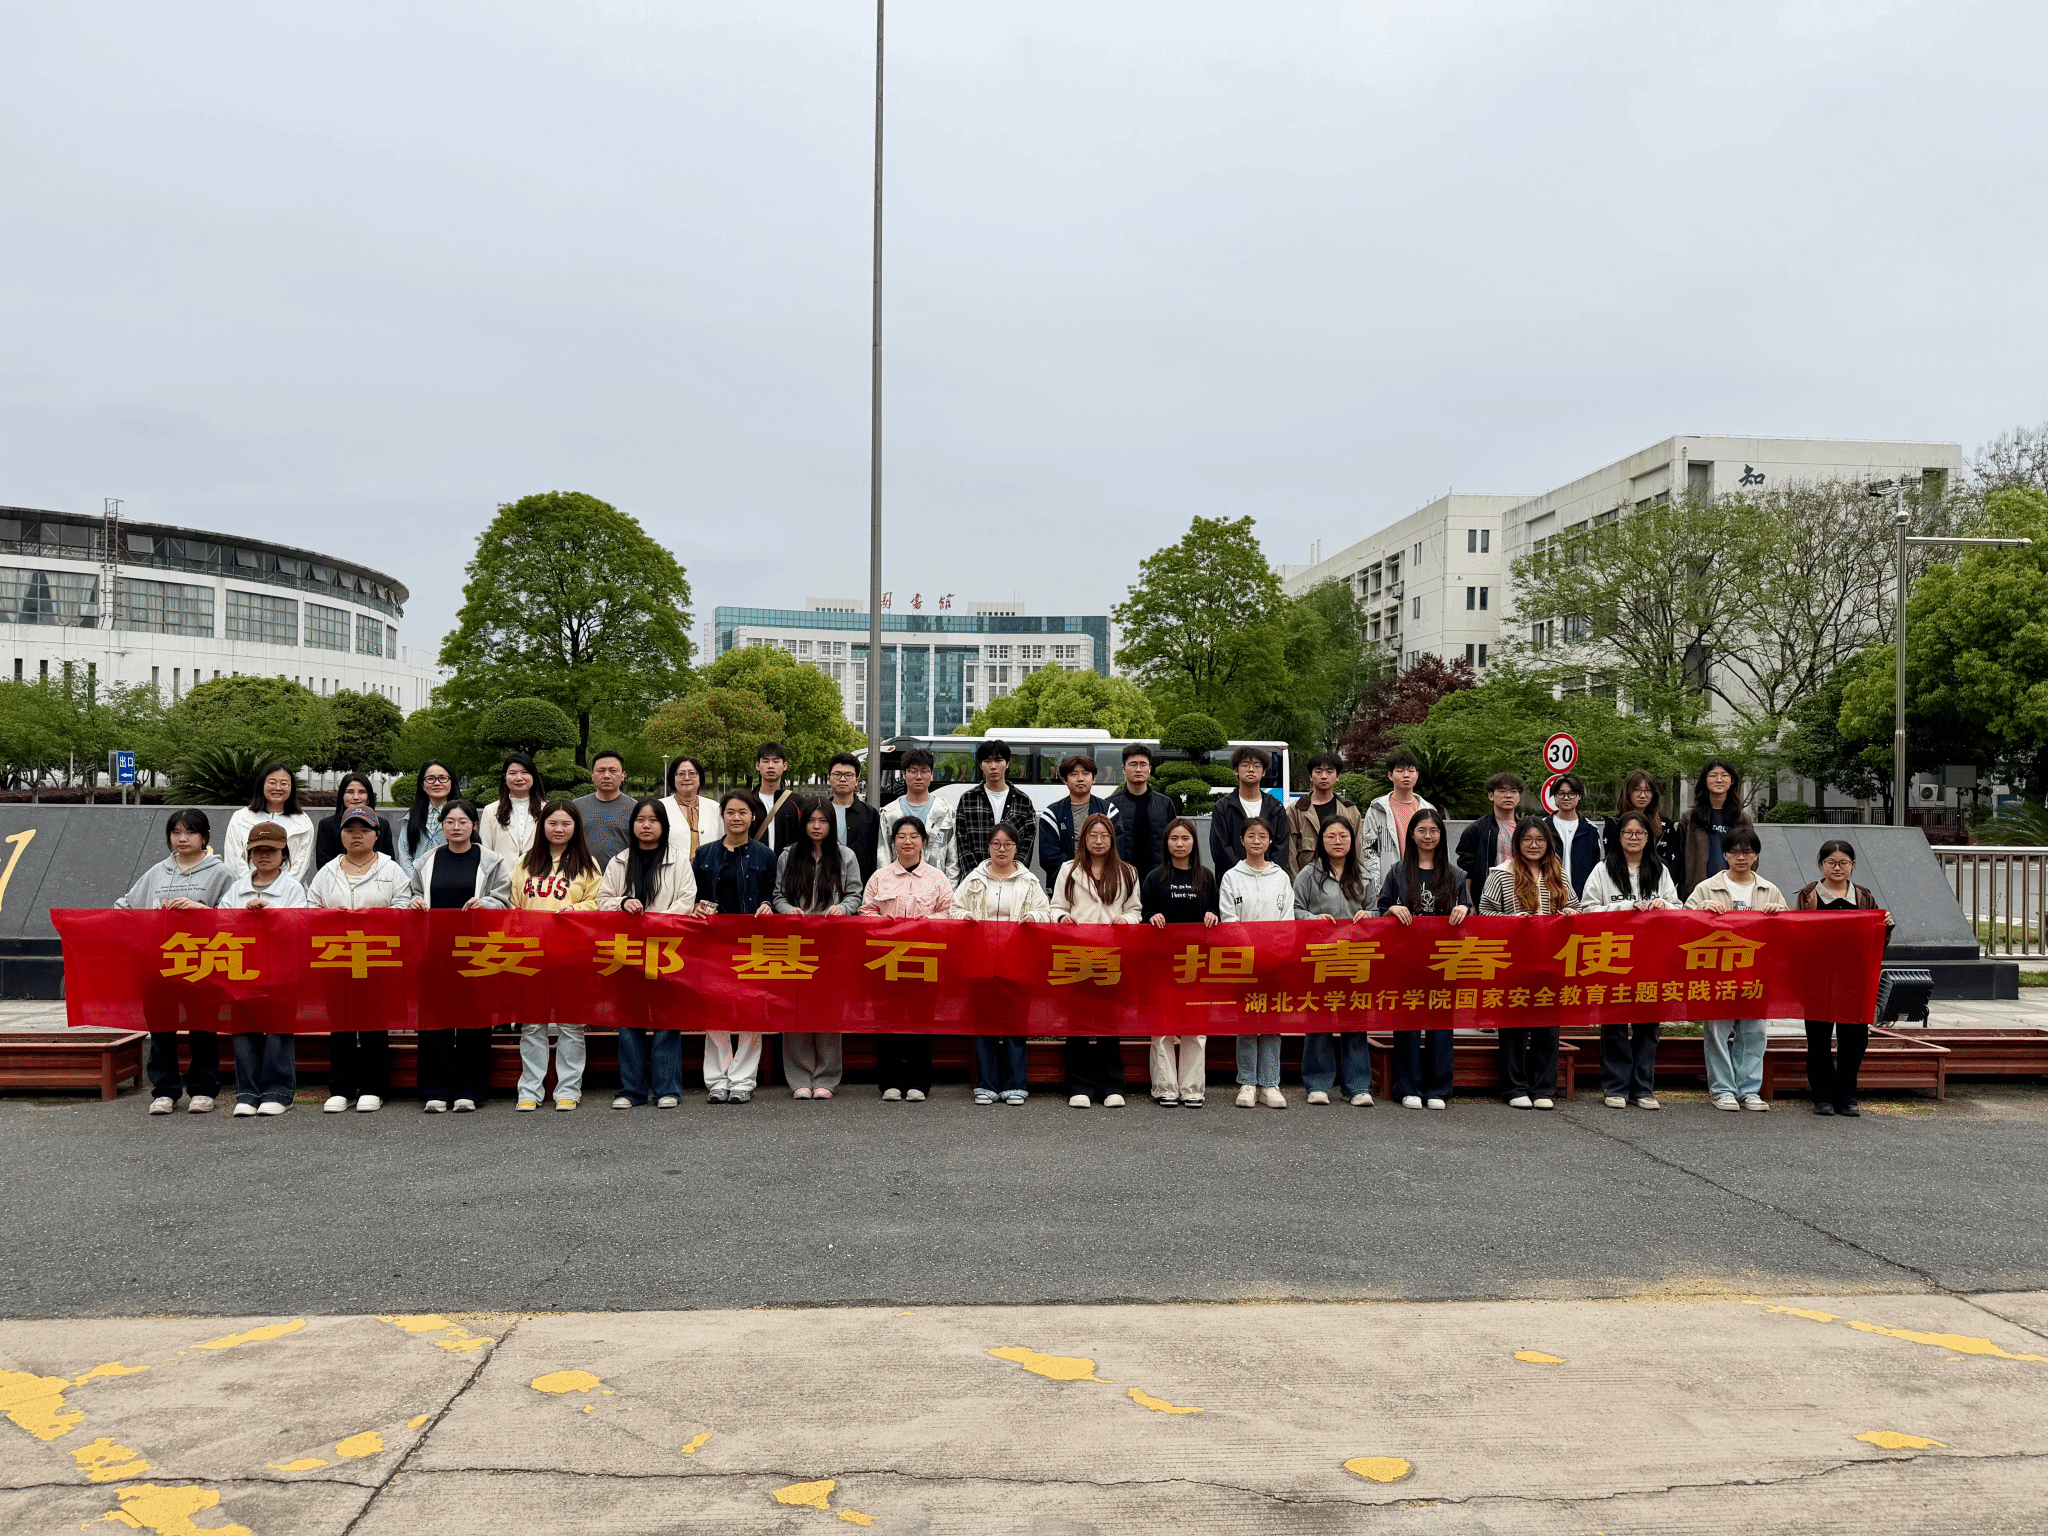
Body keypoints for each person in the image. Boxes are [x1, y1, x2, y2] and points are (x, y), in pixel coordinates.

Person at [118, 809, 235, 1115]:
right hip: (159, 962)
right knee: (161, 1029)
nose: (182, 839)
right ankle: (165, 1091)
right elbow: (125, 905)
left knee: (203, 1028)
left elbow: (234, 916)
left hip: (202, 961)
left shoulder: (221, 873)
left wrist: (202, 910)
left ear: (204, 837)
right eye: (176, 832)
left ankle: (203, 1089)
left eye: (190, 832)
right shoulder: (157, 872)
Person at [403, 800, 511, 1113]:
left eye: (463, 821)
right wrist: (415, 902)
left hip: (477, 952)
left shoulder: (490, 861)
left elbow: (504, 900)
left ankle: (469, 1089)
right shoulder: (427, 861)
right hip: (434, 951)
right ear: (442, 826)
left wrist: (485, 904)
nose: (456, 827)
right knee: (433, 1022)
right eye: (450, 821)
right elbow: (412, 894)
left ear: (474, 825)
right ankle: (435, 1090)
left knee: (473, 1023)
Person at [307, 804, 410, 1112]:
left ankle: (373, 1087)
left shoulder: (391, 870)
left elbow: (404, 907)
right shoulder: (327, 872)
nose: (356, 835)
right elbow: (311, 909)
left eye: (364, 830)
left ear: (376, 835)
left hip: (377, 958)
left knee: (374, 1024)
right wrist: (330, 917)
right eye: (350, 830)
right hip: (337, 958)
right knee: (340, 1025)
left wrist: (375, 917)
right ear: (340, 835)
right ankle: (341, 1088)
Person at [597, 797, 697, 1110]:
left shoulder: (678, 860)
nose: (646, 826)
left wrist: (656, 923)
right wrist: (622, 902)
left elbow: (687, 900)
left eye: (653, 820)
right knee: (629, 1021)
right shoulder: (619, 861)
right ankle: (632, 1090)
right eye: (640, 820)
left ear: (663, 826)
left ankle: (668, 1088)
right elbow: (602, 900)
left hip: (667, 951)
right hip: (627, 951)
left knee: (667, 1021)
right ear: (632, 825)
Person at [1576, 809, 1678, 1110]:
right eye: (1628, 833)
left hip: (1651, 958)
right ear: (1618, 837)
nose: (1634, 838)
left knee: (1648, 1027)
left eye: (1640, 833)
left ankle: (1643, 1088)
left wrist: (1662, 905)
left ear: (1649, 838)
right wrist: (1622, 909)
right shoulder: (1602, 870)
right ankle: (1615, 1087)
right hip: (1613, 958)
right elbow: (1587, 910)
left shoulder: (1660, 871)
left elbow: (1678, 907)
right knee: (1615, 1025)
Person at [1684, 825, 1786, 1111]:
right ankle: (1722, 1090)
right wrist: (1702, 910)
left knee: (1754, 1033)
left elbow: (1787, 932)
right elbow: (1683, 922)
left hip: (1757, 974)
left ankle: (1749, 1089)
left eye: (1748, 852)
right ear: (1725, 855)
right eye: (1735, 851)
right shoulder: (1707, 888)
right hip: (1717, 972)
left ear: (1756, 856)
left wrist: (1780, 914)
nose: (1742, 857)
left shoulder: (1770, 890)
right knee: (1717, 1033)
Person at [510, 801, 604, 1112]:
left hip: (571, 955)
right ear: (543, 826)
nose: (559, 829)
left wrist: (575, 910)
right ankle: (529, 1090)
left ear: (576, 828)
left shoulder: (587, 864)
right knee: (532, 1026)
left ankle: (568, 1090)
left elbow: (598, 902)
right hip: (531, 955)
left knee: (571, 1026)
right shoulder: (526, 862)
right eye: (552, 823)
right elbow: (513, 904)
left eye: (566, 824)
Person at [1376, 808, 1471, 1110]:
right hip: (1407, 960)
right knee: (1407, 1025)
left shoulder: (1456, 875)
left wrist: (1464, 909)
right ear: (1412, 834)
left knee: (1441, 1027)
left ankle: (1439, 1089)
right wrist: (1392, 909)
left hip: (1443, 961)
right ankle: (1408, 1087)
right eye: (1422, 830)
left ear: (1441, 835)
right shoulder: (1398, 873)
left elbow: (1469, 911)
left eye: (1433, 831)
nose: (1428, 836)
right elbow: (1380, 910)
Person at [951, 822, 1052, 1104]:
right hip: (981, 958)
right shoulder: (974, 879)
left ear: (1017, 848)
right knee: (983, 1022)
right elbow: (954, 909)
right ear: (988, 847)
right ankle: (987, 1084)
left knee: (1015, 1023)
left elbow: (1045, 911)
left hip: (1017, 960)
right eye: (996, 844)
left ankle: (1015, 1084)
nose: (1002, 849)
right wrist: (965, 917)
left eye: (1008, 844)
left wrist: (1034, 917)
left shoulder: (1029, 881)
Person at [1795, 840, 1895, 1118]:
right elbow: (1798, 934)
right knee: (1818, 1038)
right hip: (1818, 976)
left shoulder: (1863, 896)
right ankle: (1823, 1096)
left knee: (1854, 1038)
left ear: (1853, 866)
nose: (1837, 868)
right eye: (1831, 862)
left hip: (1854, 976)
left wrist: (1886, 927)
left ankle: (1847, 1094)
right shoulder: (1809, 895)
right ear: (1821, 865)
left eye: (1843, 863)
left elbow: (1876, 941)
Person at [1477, 821, 1573, 1109]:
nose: (1533, 845)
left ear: (1548, 843)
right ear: (1517, 843)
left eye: (1539, 839)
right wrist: (1510, 922)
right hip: (1514, 961)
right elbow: (1484, 912)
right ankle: (1514, 1087)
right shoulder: (1500, 874)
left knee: (1548, 1027)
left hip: (1551, 960)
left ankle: (1543, 1088)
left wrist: (1569, 912)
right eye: (1527, 839)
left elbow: (1576, 906)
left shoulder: (1558, 874)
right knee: (1514, 1027)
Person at [691, 791, 780, 1103]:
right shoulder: (704, 855)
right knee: (715, 1011)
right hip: (713, 943)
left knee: (750, 1010)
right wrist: (697, 906)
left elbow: (771, 892)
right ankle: (717, 1080)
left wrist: (768, 904)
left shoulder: (765, 856)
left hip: (752, 941)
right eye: (731, 812)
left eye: (743, 812)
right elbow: (694, 894)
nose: (737, 818)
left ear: (752, 817)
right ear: (722, 816)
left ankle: (743, 1080)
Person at [859, 818, 957, 1101]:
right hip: (886, 960)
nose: (907, 842)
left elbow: (949, 912)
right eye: (901, 836)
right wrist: (884, 923)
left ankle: (918, 1083)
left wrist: (927, 922)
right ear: (893, 842)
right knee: (886, 1020)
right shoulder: (880, 877)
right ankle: (889, 1082)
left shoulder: (937, 878)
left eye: (914, 836)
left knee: (921, 1021)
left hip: (923, 959)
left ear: (923, 841)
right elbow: (866, 912)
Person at [1050, 812, 1142, 1107]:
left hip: (1111, 954)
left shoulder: (1127, 872)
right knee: (1076, 1022)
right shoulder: (1068, 870)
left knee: (1109, 1022)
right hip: (1077, 952)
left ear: (1112, 839)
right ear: (1083, 839)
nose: (1099, 841)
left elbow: (1135, 910)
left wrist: (1126, 920)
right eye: (1093, 835)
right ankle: (1079, 1085)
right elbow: (1056, 907)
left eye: (1104, 836)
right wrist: (1062, 918)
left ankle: (1112, 1085)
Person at [216, 821, 307, 1117]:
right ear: (249, 854)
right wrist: (244, 917)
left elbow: (301, 925)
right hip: (243, 971)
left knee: (278, 1032)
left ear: (284, 854)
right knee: (243, 1032)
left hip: (282, 971)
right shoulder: (237, 889)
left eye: (271, 850)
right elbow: (220, 923)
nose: (264, 855)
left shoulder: (293, 889)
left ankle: (278, 1092)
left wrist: (272, 914)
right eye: (257, 850)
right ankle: (247, 1092)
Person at [773, 798, 862, 1099]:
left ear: (831, 824)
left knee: (828, 1009)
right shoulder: (788, 855)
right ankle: (799, 1077)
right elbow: (778, 895)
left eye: (823, 821)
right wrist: (789, 911)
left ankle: (826, 1077)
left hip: (831, 942)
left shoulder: (846, 856)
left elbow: (855, 894)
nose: (816, 826)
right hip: (796, 942)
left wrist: (843, 909)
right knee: (796, 1009)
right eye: (811, 820)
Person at [1293, 815, 1373, 1107]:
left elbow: (1377, 910)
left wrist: (1369, 916)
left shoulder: (1364, 875)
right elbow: (1294, 910)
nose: (1337, 841)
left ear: (1352, 840)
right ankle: (1317, 1084)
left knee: (1355, 1020)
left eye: (1343, 836)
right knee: (1319, 1019)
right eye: (1331, 836)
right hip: (1321, 957)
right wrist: (1312, 919)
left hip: (1355, 957)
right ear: (1321, 841)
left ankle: (1358, 1086)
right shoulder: (1308, 874)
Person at [1141, 817, 1220, 1106]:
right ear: (1166, 843)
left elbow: (1216, 910)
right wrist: (1152, 916)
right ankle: (1165, 1088)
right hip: (1162, 963)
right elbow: (1143, 912)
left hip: (1196, 964)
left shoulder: (1206, 877)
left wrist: (1212, 914)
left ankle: (1192, 1089)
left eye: (1185, 838)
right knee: (1162, 1028)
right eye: (1174, 838)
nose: (1179, 844)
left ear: (1193, 843)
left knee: (1195, 1029)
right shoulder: (1154, 878)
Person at [1219, 817, 1296, 1107]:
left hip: (1276, 962)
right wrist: (1251, 952)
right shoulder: (1231, 877)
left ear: (1270, 841)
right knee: (1248, 1020)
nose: (1256, 841)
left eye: (1262, 836)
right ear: (1242, 840)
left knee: (1272, 1021)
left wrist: (1275, 954)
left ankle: (1270, 1083)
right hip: (1246, 961)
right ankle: (1248, 1082)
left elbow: (1287, 919)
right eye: (1251, 835)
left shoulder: (1281, 877)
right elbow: (1229, 919)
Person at [1357, 746, 1433, 908]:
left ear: (1417, 775)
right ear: (1390, 775)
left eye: (1411, 771)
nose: (1406, 775)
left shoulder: (1428, 810)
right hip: (1388, 885)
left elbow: (1439, 849)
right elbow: (1370, 852)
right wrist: (1376, 891)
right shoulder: (1377, 810)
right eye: (1400, 770)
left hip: (1423, 883)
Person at [954, 739, 1038, 880]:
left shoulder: (1023, 801)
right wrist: (976, 877)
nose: (993, 766)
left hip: (1012, 880)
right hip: (976, 881)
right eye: (987, 761)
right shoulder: (968, 799)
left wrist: (1012, 875)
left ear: (1007, 764)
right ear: (981, 765)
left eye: (999, 760)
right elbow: (963, 843)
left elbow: (1027, 844)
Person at [223, 762, 316, 882]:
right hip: (246, 889)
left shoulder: (303, 822)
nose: (278, 788)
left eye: (284, 783)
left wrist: (283, 888)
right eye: (272, 782)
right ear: (262, 784)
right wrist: (251, 885)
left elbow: (302, 865)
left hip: (290, 891)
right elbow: (233, 858)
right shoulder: (240, 818)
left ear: (291, 787)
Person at [1039, 755, 1116, 896]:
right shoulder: (1052, 813)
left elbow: (1118, 849)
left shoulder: (1109, 811)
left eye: (1085, 774)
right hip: (1065, 887)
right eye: (1074, 774)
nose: (1080, 778)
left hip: (1103, 884)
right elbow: (1049, 857)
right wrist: (1078, 876)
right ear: (1065, 780)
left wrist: (1096, 875)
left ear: (1093, 779)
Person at [1675, 758, 1752, 900]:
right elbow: (1678, 859)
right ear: (1705, 780)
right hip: (1698, 893)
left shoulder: (1742, 819)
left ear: (1732, 780)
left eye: (1724, 775)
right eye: (1713, 775)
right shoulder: (1690, 818)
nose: (1719, 780)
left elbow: (1752, 857)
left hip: (1734, 892)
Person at [1209, 746, 1289, 882]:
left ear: (1264, 772)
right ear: (1236, 770)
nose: (1251, 769)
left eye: (1257, 766)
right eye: (1245, 765)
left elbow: (1281, 847)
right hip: (1233, 881)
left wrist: (1266, 873)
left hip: (1268, 880)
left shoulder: (1276, 808)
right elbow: (1220, 848)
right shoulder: (1223, 807)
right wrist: (1243, 873)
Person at [878, 748, 958, 882]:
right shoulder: (890, 813)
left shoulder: (946, 811)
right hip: (898, 885)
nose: (919, 777)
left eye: (924, 771)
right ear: (904, 774)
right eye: (913, 771)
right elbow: (883, 855)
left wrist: (950, 889)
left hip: (936, 885)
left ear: (931, 774)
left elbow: (953, 857)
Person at [1285, 753, 1364, 875]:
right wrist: (1298, 883)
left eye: (1329, 772)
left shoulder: (1350, 810)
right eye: (1318, 771)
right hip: (1308, 881)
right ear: (1311, 776)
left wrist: (1357, 879)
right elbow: (1290, 855)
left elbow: (1358, 850)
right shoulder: (1295, 811)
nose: (1324, 776)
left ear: (1337, 776)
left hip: (1343, 880)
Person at [1109, 743, 1173, 888]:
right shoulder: (1111, 805)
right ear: (1124, 769)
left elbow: (1172, 839)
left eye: (1143, 764)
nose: (1138, 769)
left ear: (1150, 769)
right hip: (1122, 877)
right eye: (1133, 764)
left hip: (1159, 877)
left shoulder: (1165, 804)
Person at [1455, 772, 1524, 895]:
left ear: (1518, 798)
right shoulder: (1476, 829)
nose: (1508, 795)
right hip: (1487, 895)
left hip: (1521, 892)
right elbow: (1466, 869)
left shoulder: (1525, 829)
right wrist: (1468, 901)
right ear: (1491, 795)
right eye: (1502, 791)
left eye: (1514, 791)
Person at [312, 772, 396, 872]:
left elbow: (389, 862)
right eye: (350, 792)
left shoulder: (382, 824)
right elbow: (323, 865)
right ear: (342, 796)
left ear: (369, 797)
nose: (356, 797)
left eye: (362, 792)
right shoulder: (327, 825)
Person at [825, 753, 885, 890]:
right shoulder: (820, 813)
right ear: (829, 779)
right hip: (825, 885)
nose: (842, 779)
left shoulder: (870, 815)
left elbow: (876, 855)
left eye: (848, 775)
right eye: (837, 774)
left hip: (860, 887)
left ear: (857, 781)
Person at [575, 749, 637, 870]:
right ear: (592, 775)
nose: (607, 776)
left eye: (613, 771)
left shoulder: (636, 808)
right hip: (583, 874)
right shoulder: (577, 806)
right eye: (601, 771)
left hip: (623, 874)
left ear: (623, 775)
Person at [396, 761, 459, 878]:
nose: (437, 783)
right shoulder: (412, 816)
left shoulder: (463, 814)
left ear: (451, 782)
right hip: (416, 882)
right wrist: (415, 882)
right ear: (422, 785)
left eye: (443, 778)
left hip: (453, 880)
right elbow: (404, 853)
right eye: (430, 779)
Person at [1544, 774, 1602, 899]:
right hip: (1549, 896)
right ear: (1554, 796)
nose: (1566, 798)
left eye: (1572, 793)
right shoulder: (1543, 827)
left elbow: (1596, 867)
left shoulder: (1590, 829)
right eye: (1561, 793)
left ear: (1579, 796)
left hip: (1581, 897)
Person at [480, 753, 545, 863]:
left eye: (525, 772)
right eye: (513, 773)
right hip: (502, 872)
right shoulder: (490, 811)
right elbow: (485, 851)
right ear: (505, 777)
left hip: (537, 871)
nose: (519, 778)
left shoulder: (547, 809)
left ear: (534, 776)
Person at [662, 756, 722, 865]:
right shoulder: (660, 807)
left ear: (700, 777)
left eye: (692, 773)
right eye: (681, 774)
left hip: (709, 871)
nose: (686, 778)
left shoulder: (715, 808)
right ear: (673, 778)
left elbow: (722, 842)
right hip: (672, 871)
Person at [752, 741, 809, 853]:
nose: (770, 766)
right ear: (757, 766)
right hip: (755, 863)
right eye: (765, 761)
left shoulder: (798, 802)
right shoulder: (748, 802)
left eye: (776, 761)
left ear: (784, 766)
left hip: (789, 863)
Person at [1606, 771, 1666, 853]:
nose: (1643, 795)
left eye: (1648, 790)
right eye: (1637, 790)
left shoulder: (1666, 826)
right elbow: (1612, 856)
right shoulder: (1613, 824)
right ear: (1627, 792)